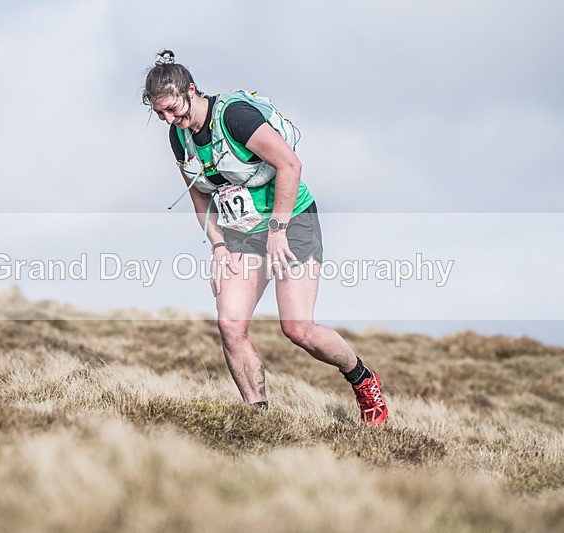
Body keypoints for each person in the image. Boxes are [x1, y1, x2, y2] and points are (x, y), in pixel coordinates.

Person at [143, 50, 388, 425]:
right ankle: (258, 419)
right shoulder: (179, 137)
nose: (169, 119)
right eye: (160, 114)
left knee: (298, 329)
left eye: (173, 109)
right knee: (230, 325)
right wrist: (218, 245)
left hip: (292, 221)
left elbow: (290, 164)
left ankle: (362, 379)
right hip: (241, 232)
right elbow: (200, 196)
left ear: (191, 90)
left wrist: (277, 229)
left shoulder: (235, 117)